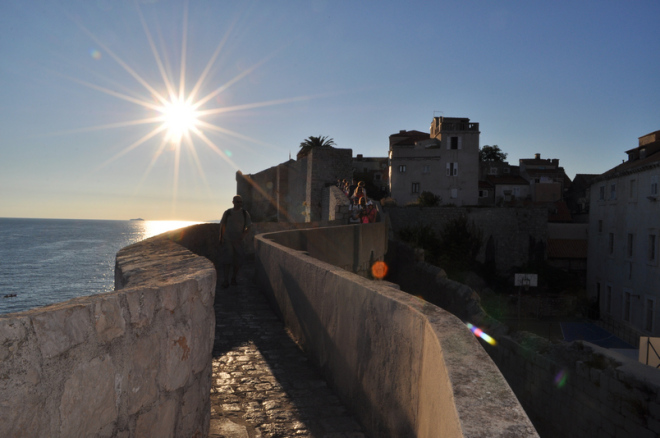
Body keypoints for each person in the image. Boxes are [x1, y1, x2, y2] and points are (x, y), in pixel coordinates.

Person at [219, 195, 252, 288]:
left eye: (240, 202)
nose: (239, 204)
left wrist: (243, 236)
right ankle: (226, 280)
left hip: (238, 241)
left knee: (237, 261)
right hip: (228, 239)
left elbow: (249, 226)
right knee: (227, 260)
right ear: (233, 202)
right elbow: (223, 225)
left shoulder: (245, 213)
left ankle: (233, 278)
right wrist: (221, 237)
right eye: (237, 202)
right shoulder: (228, 212)